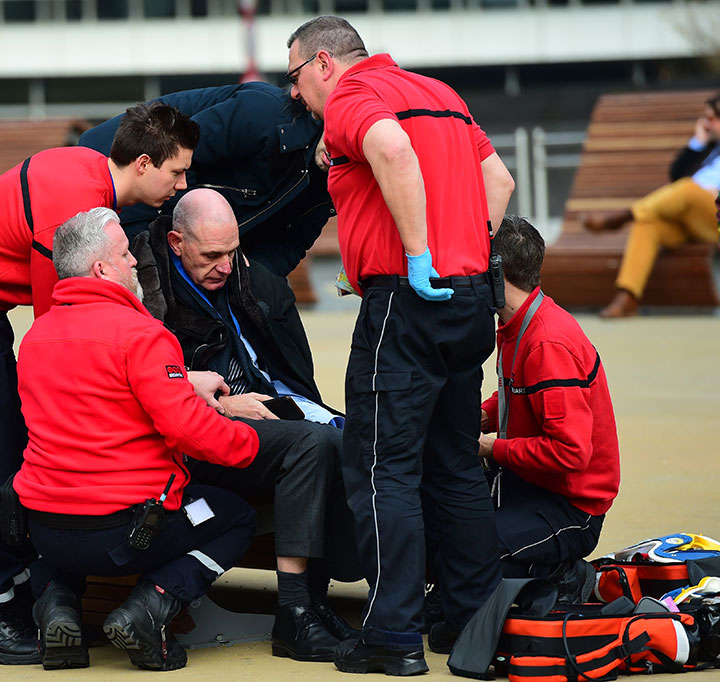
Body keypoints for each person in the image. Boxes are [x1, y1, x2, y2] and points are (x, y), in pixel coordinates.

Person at [0, 102, 198, 665]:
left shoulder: (86, 176)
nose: (181, 185)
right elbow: (59, 325)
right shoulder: (75, 200)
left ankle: (13, 600)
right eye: (176, 172)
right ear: (142, 163)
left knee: (5, 454)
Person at [284, 15, 516, 675]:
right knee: (454, 464)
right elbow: (498, 182)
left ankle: (392, 635)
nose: (296, 95)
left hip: (408, 305)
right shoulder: (439, 93)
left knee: (382, 467)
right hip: (469, 298)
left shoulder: (355, 99)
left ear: (324, 63)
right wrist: (466, 254)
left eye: (296, 78)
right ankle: (473, 623)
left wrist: (419, 257)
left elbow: (392, 150)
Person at [13, 207, 260, 671]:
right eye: (125, 254)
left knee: (69, 524)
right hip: (128, 532)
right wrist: (250, 442)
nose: (135, 263)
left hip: (46, 526)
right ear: (101, 269)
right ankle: (151, 606)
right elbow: (187, 428)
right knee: (234, 517)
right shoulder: (144, 334)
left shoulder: (36, 335)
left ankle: (56, 606)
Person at [133, 188, 362, 662]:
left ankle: (319, 603)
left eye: (232, 251)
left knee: (359, 440)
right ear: (176, 242)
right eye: (212, 255)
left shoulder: (250, 280)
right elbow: (150, 391)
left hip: (275, 407)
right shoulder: (152, 300)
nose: (225, 264)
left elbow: (294, 372)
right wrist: (223, 406)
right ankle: (297, 614)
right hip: (208, 433)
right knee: (314, 446)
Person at [478, 216, 620, 602]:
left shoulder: (547, 344)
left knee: (476, 553)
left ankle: (565, 575)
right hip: (532, 482)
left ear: (494, 272)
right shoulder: (519, 322)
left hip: (572, 507)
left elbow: (569, 452)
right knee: (453, 531)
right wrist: (487, 413)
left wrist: (491, 448)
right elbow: (521, 393)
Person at [79, 82, 334, 277]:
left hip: (172, 213)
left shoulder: (336, 177)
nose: (345, 154)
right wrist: (192, 241)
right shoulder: (264, 115)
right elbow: (175, 161)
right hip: (120, 173)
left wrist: (249, 274)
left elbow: (290, 243)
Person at [585, 93, 720, 318]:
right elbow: (676, 176)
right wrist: (697, 143)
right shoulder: (709, 148)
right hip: (693, 219)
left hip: (714, 218)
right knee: (647, 223)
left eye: (712, 118)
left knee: (689, 189)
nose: (706, 123)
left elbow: (685, 186)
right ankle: (627, 297)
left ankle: (619, 218)